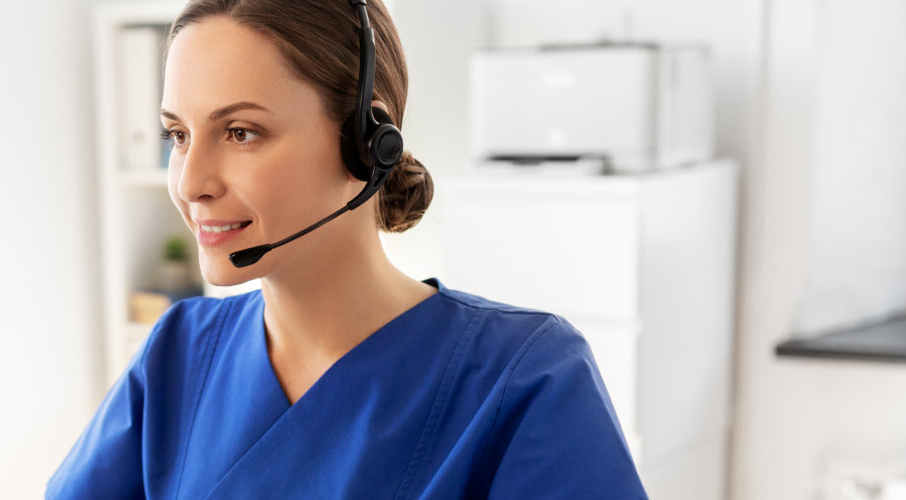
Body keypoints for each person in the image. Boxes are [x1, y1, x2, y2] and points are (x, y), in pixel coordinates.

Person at [46, 0, 647, 498]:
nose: (190, 181)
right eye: (177, 134)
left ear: (366, 142)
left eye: (241, 132)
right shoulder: (177, 353)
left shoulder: (527, 378)